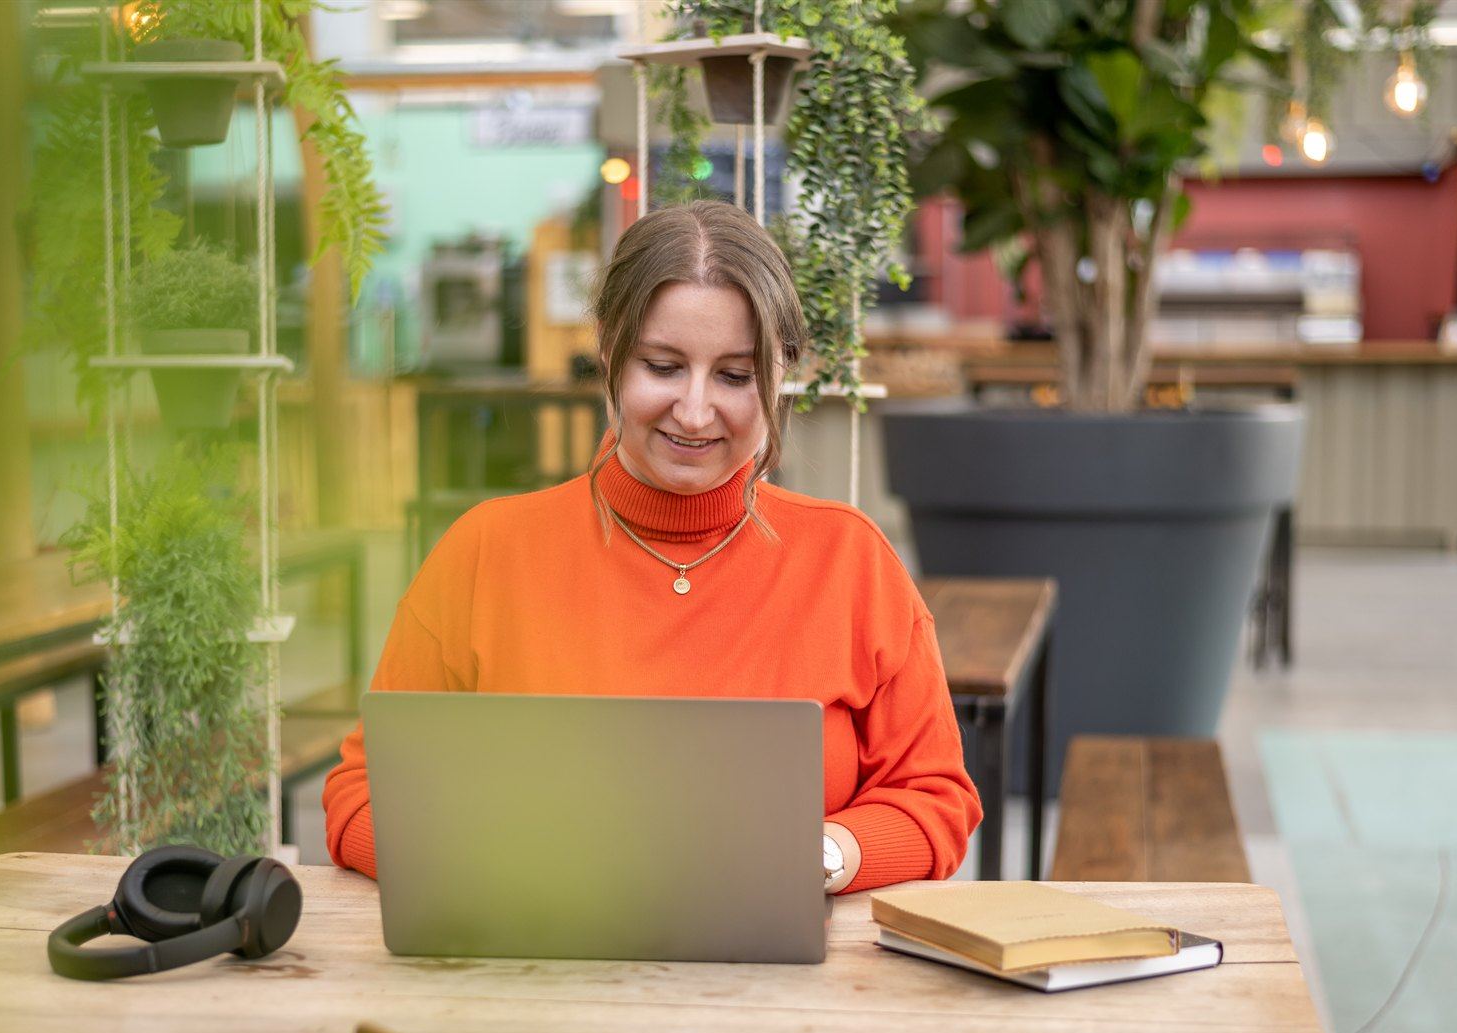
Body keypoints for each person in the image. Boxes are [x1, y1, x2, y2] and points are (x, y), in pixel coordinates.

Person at [322, 201, 979, 894]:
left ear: (780, 372)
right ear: (609, 350)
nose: (695, 412)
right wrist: (489, 859)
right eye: (663, 366)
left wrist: (815, 856)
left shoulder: (851, 561)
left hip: (791, 990)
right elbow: (360, 798)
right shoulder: (485, 553)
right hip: (531, 974)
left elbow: (935, 799)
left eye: (733, 375)